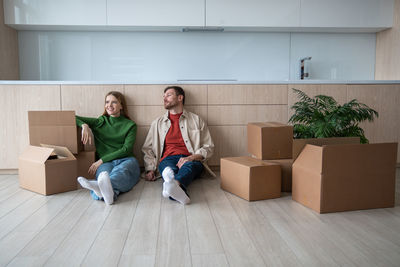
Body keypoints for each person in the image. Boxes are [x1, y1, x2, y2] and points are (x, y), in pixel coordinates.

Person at [142, 86, 214, 205]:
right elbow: (147, 148)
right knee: (169, 169)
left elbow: (209, 147)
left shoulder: (196, 120)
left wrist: (191, 158)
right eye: (164, 96)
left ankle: (172, 183)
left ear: (180, 98)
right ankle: (176, 186)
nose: (165, 98)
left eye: (168, 95)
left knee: (188, 167)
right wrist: (150, 168)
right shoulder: (157, 123)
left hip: (191, 159)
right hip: (167, 159)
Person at [76, 91, 140, 205]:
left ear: (121, 106)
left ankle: (97, 189)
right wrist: (84, 125)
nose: (109, 105)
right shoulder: (100, 122)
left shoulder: (130, 125)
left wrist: (101, 160)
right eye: (107, 102)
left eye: (114, 102)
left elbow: (126, 149)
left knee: (121, 172)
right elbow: (73, 117)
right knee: (103, 176)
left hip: (126, 159)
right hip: (105, 164)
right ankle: (108, 194)